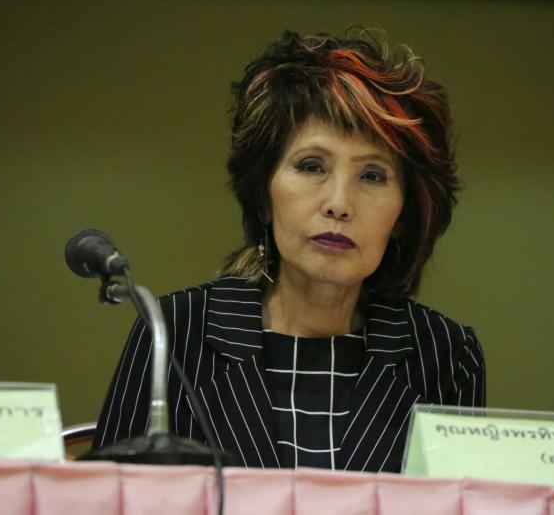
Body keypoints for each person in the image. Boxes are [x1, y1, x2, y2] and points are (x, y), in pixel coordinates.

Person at [92, 29, 485, 473]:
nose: (339, 203)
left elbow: (460, 501)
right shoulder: (177, 333)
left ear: (404, 217)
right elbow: (111, 497)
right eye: (312, 166)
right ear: (263, 196)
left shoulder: (444, 355)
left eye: (373, 175)